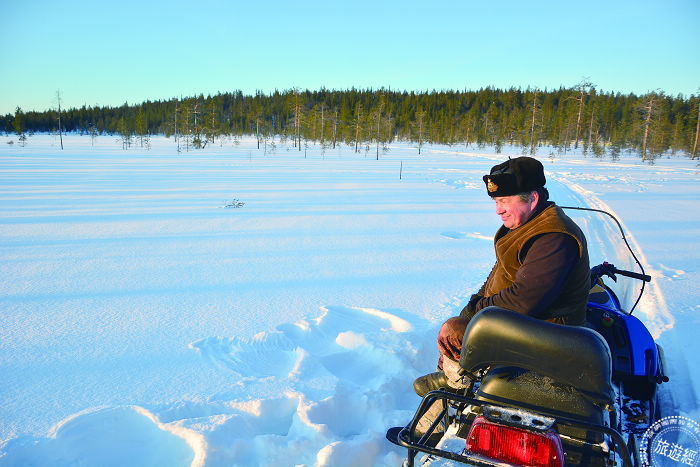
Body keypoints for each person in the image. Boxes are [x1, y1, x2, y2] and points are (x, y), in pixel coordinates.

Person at [414, 156, 591, 396]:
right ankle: (454, 375)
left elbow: (523, 300)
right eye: (496, 201)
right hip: (530, 324)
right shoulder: (526, 225)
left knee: (454, 330)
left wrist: (475, 314)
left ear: (533, 198)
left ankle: (452, 389)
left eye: (505, 201)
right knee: (462, 322)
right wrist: (474, 306)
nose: (498, 210)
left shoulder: (553, 238)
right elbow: (500, 271)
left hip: (550, 334)